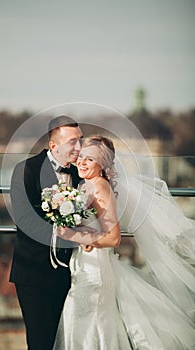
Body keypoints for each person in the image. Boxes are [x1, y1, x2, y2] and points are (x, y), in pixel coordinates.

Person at [54, 135, 195, 350]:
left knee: (91, 326)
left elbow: (113, 237)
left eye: (90, 159)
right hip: (84, 264)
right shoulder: (86, 184)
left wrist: (71, 235)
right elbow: (96, 228)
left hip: (95, 270)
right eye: (81, 156)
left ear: (103, 164)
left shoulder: (100, 187)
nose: (81, 162)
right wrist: (83, 233)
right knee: (83, 325)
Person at [9, 116, 84, 350]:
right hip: (34, 274)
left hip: (74, 274)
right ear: (54, 146)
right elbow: (24, 219)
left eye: (80, 140)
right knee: (41, 342)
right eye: (73, 142)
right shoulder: (26, 170)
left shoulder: (84, 173)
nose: (79, 147)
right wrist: (67, 233)